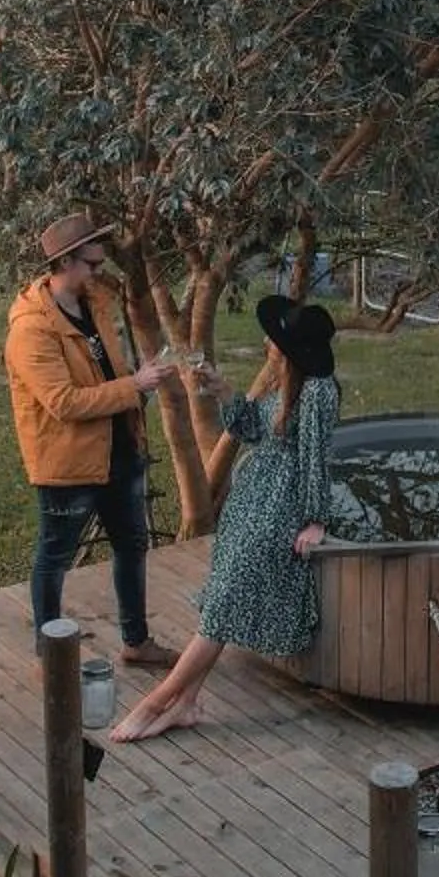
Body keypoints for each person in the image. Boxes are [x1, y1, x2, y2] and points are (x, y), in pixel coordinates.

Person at [109, 295, 342, 742]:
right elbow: (255, 428)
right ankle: (187, 702)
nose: (266, 343)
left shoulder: (317, 391)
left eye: (272, 339)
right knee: (221, 599)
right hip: (254, 500)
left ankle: (157, 701)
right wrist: (223, 390)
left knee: (221, 608)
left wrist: (315, 519)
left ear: (287, 348)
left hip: (280, 509)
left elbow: (316, 458)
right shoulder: (288, 379)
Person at [5, 211, 180, 667]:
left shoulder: (93, 303)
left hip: (120, 451)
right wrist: (134, 387)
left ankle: (135, 642)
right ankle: (51, 656)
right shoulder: (30, 329)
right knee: (55, 556)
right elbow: (63, 402)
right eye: (93, 264)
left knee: (132, 545)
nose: (101, 272)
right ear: (65, 263)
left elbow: (105, 369)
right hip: (69, 465)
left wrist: (141, 376)